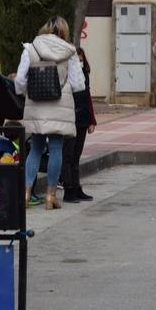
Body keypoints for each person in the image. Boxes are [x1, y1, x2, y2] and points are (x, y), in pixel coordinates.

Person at [14, 16, 85, 209]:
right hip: (59, 104)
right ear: (64, 31)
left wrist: (24, 92)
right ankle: (50, 196)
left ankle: (27, 192)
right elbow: (79, 84)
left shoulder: (31, 48)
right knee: (55, 149)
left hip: (36, 103)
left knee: (35, 148)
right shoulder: (69, 52)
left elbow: (20, 80)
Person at [62, 47, 97, 203]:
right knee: (68, 155)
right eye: (77, 60)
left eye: (81, 59)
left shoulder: (84, 75)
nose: (79, 63)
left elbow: (87, 97)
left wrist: (91, 120)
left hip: (82, 117)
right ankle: (68, 189)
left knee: (76, 156)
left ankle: (76, 188)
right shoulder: (67, 76)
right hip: (70, 118)